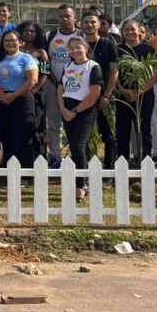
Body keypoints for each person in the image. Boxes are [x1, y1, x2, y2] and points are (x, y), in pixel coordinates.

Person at [57, 37, 103, 202]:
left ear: (85, 47)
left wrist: (76, 110)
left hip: (84, 111)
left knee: (78, 146)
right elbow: (60, 88)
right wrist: (63, 109)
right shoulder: (67, 66)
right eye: (71, 48)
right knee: (76, 148)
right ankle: (83, 180)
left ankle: (81, 185)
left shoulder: (93, 67)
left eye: (78, 47)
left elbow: (95, 92)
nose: (75, 51)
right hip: (67, 110)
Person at [0, 31, 38, 168]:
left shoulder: (27, 58)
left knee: (22, 136)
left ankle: (25, 173)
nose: (9, 43)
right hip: (2, 100)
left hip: (22, 100)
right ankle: (8, 169)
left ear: (20, 42)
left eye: (13, 40)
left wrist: (13, 95)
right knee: (6, 135)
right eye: (6, 41)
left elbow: (32, 80)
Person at [43, 4, 83, 166]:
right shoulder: (49, 36)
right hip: (53, 85)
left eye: (68, 16)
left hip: (78, 86)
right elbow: (45, 62)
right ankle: (55, 156)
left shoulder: (81, 36)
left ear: (75, 18)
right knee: (54, 123)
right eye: (61, 16)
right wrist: (56, 81)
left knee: (77, 123)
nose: (64, 19)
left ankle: (78, 156)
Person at [80, 10, 119, 169]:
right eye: (86, 22)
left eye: (93, 22)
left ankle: (109, 171)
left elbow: (114, 70)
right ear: (81, 24)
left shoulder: (108, 43)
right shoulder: (78, 44)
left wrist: (107, 95)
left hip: (104, 97)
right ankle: (89, 168)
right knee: (86, 135)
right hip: (83, 97)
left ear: (99, 24)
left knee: (108, 134)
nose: (89, 25)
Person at [116, 20, 157, 164]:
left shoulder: (148, 50)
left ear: (140, 31)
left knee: (144, 129)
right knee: (122, 130)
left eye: (132, 29)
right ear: (122, 32)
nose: (129, 32)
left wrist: (139, 91)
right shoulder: (118, 49)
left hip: (144, 95)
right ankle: (122, 162)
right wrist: (122, 90)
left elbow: (155, 73)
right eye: (126, 30)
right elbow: (113, 73)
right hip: (123, 95)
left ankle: (145, 161)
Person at [18, 21, 49, 159]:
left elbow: (45, 73)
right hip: (17, 94)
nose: (28, 34)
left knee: (37, 127)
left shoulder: (41, 52)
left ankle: (39, 157)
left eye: (32, 31)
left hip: (36, 96)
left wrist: (35, 90)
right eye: (26, 31)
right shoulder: (15, 51)